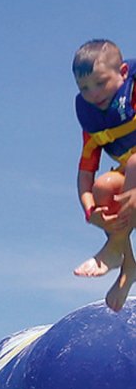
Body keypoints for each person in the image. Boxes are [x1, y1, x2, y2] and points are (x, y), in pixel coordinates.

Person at [72, 40, 136, 311]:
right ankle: (128, 266)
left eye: (100, 83)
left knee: (134, 162)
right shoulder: (95, 121)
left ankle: (114, 248)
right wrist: (91, 211)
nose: (93, 94)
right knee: (103, 187)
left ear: (123, 72)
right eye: (84, 88)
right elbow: (85, 174)